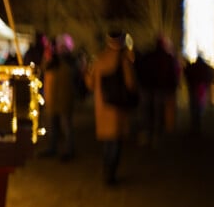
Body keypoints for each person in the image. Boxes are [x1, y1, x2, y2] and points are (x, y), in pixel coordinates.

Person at [85, 30, 138, 186]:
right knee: (116, 141)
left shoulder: (99, 58)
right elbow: (131, 84)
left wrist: (86, 75)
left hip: (103, 107)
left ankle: (106, 169)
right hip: (118, 107)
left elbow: (90, 84)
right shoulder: (124, 59)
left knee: (107, 141)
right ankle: (110, 174)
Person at [38, 33, 80, 161]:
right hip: (52, 97)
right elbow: (43, 69)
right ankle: (53, 147)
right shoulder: (51, 59)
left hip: (64, 98)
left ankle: (69, 149)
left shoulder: (69, 61)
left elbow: (74, 75)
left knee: (66, 126)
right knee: (52, 125)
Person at [134, 34, 180, 147]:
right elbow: (173, 75)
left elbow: (139, 70)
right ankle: (156, 135)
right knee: (158, 112)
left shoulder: (148, 56)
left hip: (147, 87)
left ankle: (146, 134)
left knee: (147, 111)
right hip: (160, 88)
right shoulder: (168, 58)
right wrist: (172, 88)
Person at [182, 53, 214, 136]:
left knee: (193, 104)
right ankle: (198, 120)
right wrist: (209, 82)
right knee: (200, 103)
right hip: (202, 87)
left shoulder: (192, 66)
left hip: (193, 87)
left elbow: (186, 73)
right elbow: (211, 73)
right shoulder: (206, 67)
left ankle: (194, 122)